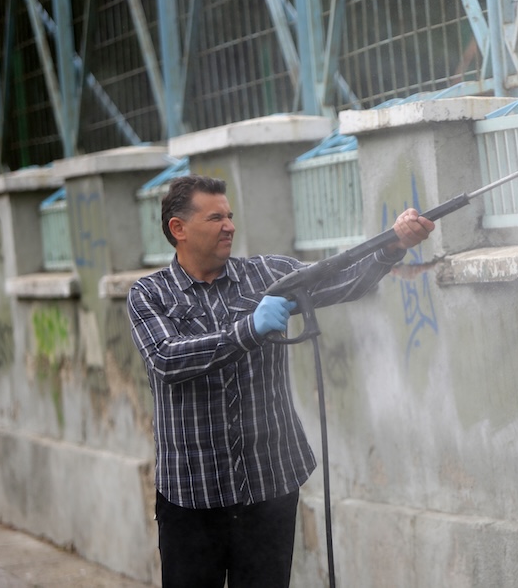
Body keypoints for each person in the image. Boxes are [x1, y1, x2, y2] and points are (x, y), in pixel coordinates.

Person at [127, 174, 434, 588]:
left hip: (269, 485)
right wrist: (247, 330)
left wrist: (394, 245)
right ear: (178, 229)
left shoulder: (268, 275)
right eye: (216, 217)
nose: (230, 226)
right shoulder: (150, 294)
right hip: (192, 492)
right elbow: (166, 359)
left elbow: (344, 280)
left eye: (230, 216)